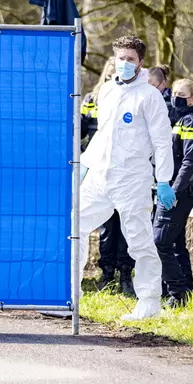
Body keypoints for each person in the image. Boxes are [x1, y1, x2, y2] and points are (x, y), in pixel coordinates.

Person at [78, 35, 175, 321]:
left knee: (139, 241)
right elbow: (103, 133)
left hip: (132, 179)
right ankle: (70, 291)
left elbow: (161, 141)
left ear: (140, 62)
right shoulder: (106, 91)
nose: (124, 64)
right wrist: (85, 164)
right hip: (99, 175)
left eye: (130, 60)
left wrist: (164, 180)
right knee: (74, 226)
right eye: (120, 59)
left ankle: (148, 301)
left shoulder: (149, 96)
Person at [153, 78, 193, 308]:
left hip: (181, 192)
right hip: (169, 189)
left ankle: (177, 292)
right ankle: (183, 292)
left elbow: (192, 160)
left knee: (160, 241)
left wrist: (174, 191)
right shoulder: (175, 120)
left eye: (182, 94)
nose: (176, 97)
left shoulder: (192, 123)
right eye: (174, 92)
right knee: (175, 243)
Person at [81, 57, 135, 296]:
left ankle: (126, 276)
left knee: (124, 226)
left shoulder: (131, 98)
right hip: (95, 170)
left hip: (123, 171)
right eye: (111, 70)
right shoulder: (91, 100)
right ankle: (106, 274)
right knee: (104, 228)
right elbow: (78, 130)